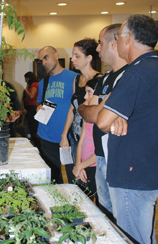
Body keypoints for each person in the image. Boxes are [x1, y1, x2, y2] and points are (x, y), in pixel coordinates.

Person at [96, 14, 158, 244]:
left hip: (134, 175)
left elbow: (102, 120)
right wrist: (116, 118)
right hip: (145, 171)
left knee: (133, 237)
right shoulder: (153, 67)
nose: (116, 43)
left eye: (118, 37)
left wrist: (111, 117)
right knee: (142, 235)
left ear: (128, 38)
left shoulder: (137, 73)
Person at [78, 24, 128, 219]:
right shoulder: (105, 78)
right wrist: (91, 109)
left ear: (114, 44)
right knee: (105, 212)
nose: (97, 48)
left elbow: (96, 112)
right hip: (100, 155)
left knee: (121, 216)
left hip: (117, 158)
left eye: (100, 43)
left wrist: (95, 110)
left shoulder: (128, 76)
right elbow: (88, 112)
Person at [60, 39, 101, 184]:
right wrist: (64, 135)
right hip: (76, 138)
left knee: (90, 182)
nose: (72, 59)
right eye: (73, 55)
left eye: (77, 56)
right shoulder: (76, 79)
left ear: (89, 58)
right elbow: (72, 108)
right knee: (75, 180)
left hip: (91, 138)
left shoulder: (99, 80)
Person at [36, 46, 77, 184]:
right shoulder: (43, 82)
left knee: (74, 176)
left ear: (56, 55)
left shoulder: (74, 78)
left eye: (46, 57)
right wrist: (38, 108)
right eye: (41, 60)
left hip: (68, 136)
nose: (44, 62)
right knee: (53, 178)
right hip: (46, 135)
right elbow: (39, 103)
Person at [72, 77, 98, 198]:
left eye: (89, 93)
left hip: (95, 167)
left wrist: (80, 166)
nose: (85, 97)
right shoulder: (87, 118)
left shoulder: (102, 121)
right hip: (83, 167)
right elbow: (81, 143)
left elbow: (101, 153)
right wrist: (78, 164)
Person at [23, 71, 39, 145]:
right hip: (30, 107)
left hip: (33, 107)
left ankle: (35, 141)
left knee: (33, 125)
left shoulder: (34, 84)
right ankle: (34, 140)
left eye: (26, 78)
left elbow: (32, 95)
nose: (25, 80)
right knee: (31, 124)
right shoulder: (31, 85)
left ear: (28, 78)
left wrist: (26, 91)